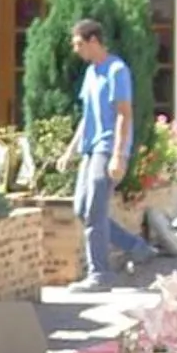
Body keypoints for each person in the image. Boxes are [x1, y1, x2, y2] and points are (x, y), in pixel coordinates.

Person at [59, 18, 146, 289]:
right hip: (90, 148)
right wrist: (69, 151)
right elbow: (87, 117)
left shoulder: (116, 70)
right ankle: (135, 246)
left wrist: (119, 155)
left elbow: (124, 114)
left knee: (95, 211)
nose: (76, 50)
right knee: (81, 209)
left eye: (79, 44)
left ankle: (100, 273)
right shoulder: (91, 74)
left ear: (94, 41)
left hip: (107, 148)